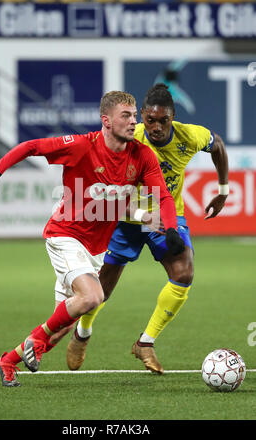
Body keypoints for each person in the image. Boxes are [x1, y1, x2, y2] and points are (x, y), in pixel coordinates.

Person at [0, 90, 185, 387]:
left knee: (65, 322)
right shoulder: (81, 146)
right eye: (126, 116)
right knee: (93, 297)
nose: (133, 121)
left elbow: (162, 195)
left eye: (134, 115)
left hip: (95, 250)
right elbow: (32, 146)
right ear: (106, 121)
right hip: (65, 235)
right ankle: (36, 340)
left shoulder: (142, 155)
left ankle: (8, 361)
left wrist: (172, 228)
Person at [64, 84, 229, 374]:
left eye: (163, 120)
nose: (156, 127)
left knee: (184, 273)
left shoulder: (191, 136)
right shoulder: (130, 135)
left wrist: (224, 190)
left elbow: (218, 145)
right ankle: (83, 332)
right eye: (150, 120)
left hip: (166, 216)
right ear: (141, 116)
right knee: (102, 289)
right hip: (125, 218)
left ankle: (146, 342)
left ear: (173, 118)